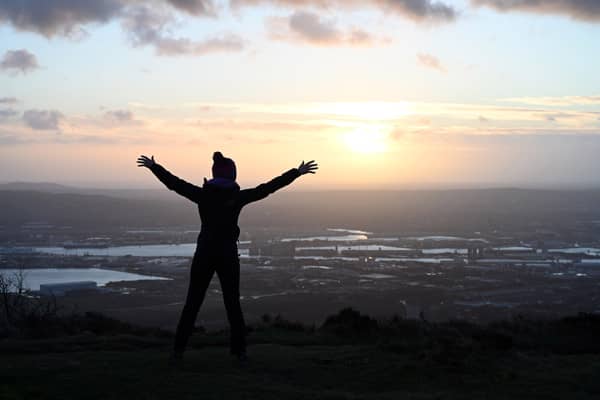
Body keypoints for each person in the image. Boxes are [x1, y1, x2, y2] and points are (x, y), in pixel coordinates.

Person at [137, 152, 318, 362]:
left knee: (192, 303)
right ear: (232, 175)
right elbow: (267, 188)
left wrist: (154, 167)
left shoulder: (203, 195)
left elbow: (175, 184)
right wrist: (296, 172)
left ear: (214, 174)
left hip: (204, 253)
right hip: (227, 255)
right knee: (232, 304)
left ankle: (178, 351)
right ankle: (239, 352)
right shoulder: (236, 197)